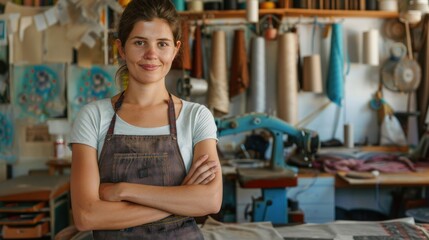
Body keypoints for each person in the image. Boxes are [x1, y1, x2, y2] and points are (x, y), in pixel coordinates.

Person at [69, 0, 222, 239]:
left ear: (175, 49)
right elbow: (87, 216)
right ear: (121, 48)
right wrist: (180, 197)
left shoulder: (196, 117)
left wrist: (121, 191)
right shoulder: (94, 116)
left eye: (162, 44)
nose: (151, 54)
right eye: (139, 42)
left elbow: (211, 201)